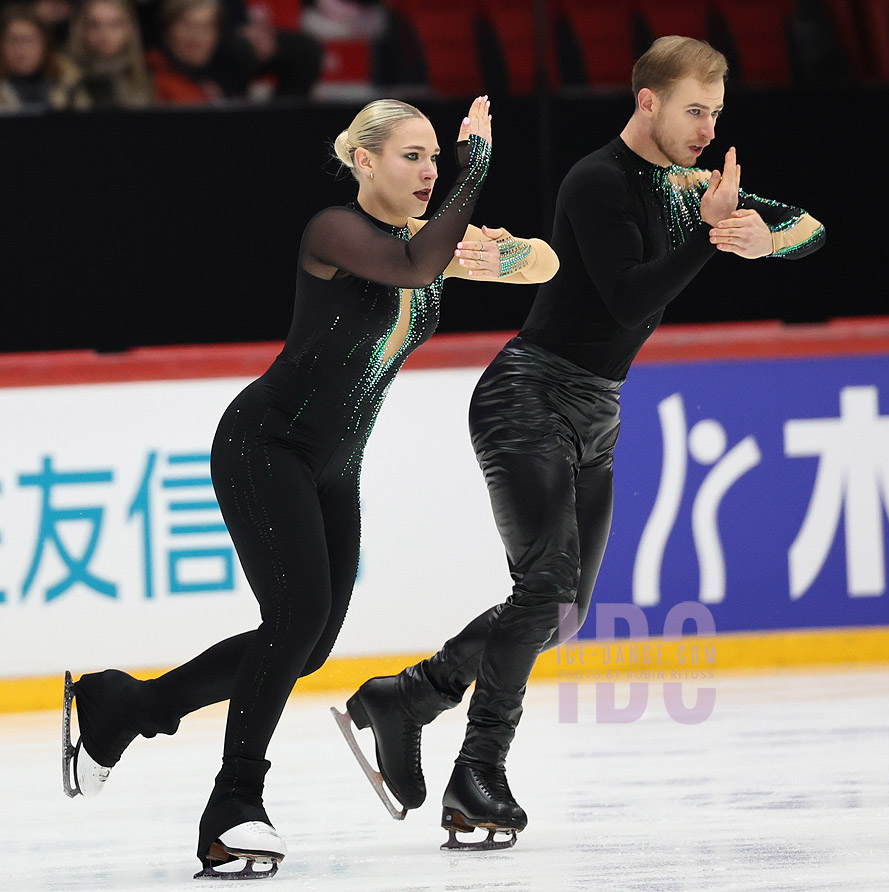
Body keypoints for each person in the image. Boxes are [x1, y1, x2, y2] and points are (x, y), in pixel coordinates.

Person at [339, 36, 826, 851]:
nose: (707, 129)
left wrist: (763, 240)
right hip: (527, 396)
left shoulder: (691, 188)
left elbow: (810, 227)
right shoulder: (597, 181)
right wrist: (708, 237)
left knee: (560, 614)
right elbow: (630, 298)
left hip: (597, 411)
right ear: (648, 102)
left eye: (715, 113)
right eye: (693, 111)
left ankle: (410, 695)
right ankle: (478, 770)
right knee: (546, 587)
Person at [62, 94, 560, 878]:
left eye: (437, 158)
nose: (430, 171)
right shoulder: (335, 232)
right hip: (266, 446)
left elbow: (545, 265)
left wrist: (505, 253)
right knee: (294, 620)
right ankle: (233, 806)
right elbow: (414, 267)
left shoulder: (431, 240)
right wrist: (477, 172)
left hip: (334, 467)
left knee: (308, 643)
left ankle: (129, 707)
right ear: (364, 161)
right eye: (412, 156)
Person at [66, 0, 154, 108]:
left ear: (129, 29)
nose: (104, 35)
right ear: (80, 29)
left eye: (114, 25)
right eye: (94, 25)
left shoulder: (149, 77)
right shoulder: (63, 77)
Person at [0, 4, 87, 111]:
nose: (21, 49)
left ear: (46, 44)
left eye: (29, 40)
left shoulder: (69, 81)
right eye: (13, 40)